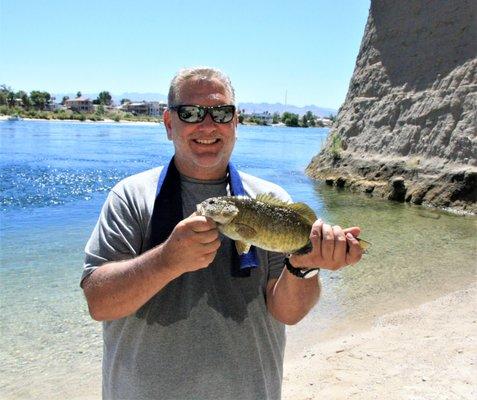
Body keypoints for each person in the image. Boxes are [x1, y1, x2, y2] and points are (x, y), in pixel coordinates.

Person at [81, 67, 363, 400]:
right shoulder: (130, 197)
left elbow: (289, 312)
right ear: (169, 124)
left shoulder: (273, 201)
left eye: (221, 113)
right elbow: (99, 302)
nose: (207, 125)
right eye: (191, 113)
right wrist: (166, 261)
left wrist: (305, 265)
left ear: (236, 122)